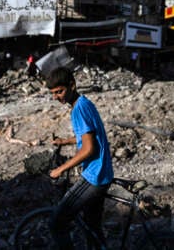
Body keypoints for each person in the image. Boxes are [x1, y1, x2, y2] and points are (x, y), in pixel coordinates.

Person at [46, 67, 114, 249]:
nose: (56, 97)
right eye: (53, 93)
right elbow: (89, 135)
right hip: (103, 173)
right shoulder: (85, 103)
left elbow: (89, 148)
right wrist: (65, 141)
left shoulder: (78, 111)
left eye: (59, 91)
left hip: (94, 176)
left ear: (72, 86)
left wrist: (60, 169)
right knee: (93, 227)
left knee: (57, 222)